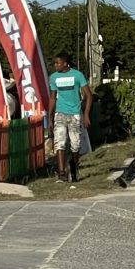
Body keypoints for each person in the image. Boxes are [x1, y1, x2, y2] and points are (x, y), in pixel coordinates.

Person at [48, 53, 92, 184]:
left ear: (66, 63)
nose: (56, 65)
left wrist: (86, 115)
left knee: (75, 144)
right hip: (60, 113)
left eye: (58, 63)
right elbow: (52, 97)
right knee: (59, 143)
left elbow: (88, 96)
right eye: (54, 63)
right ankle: (61, 173)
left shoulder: (77, 75)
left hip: (75, 114)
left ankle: (74, 167)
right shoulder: (53, 77)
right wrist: (50, 118)